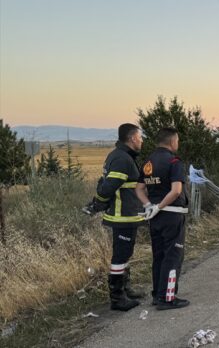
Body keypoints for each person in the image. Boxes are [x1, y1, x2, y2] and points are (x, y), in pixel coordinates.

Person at [92, 123, 146, 311]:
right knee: (120, 255)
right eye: (140, 137)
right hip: (122, 216)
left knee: (125, 253)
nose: (142, 140)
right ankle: (117, 298)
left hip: (127, 215)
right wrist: (97, 201)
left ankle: (125, 288)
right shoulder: (122, 158)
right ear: (132, 139)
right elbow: (108, 187)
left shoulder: (123, 156)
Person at [136, 127, 190, 310]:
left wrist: (149, 206)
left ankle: (157, 295)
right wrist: (159, 207)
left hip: (155, 217)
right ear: (172, 141)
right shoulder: (174, 161)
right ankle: (168, 298)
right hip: (172, 214)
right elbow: (176, 191)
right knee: (173, 256)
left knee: (159, 255)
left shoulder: (148, 162)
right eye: (177, 140)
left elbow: (138, 189)